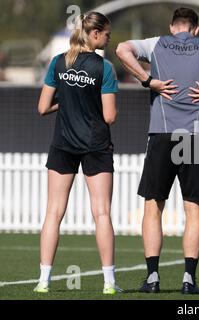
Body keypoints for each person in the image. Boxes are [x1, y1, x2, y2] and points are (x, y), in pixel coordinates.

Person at [116, 7, 199, 294]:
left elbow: (121, 49)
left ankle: (152, 278)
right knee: (194, 210)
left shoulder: (156, 43)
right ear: (196, 29)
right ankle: (189, 280)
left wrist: (146, 80)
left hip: (162, 136)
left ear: (172, 26)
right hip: (194, 138)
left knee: (153, 207)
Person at [35, 12, 121, 295]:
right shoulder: (104, 68)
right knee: (102, 213)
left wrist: (67, 103)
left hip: (62, 144)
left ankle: (43, 281)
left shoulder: (58, 62)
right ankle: (109, 283)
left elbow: (43, 107)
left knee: (53, 212)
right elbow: (109, 116)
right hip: (95, 145)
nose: (108, 39)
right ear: (95, 34)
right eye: (106, 34)